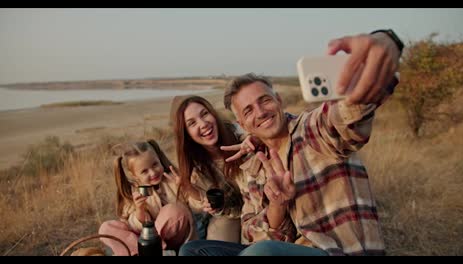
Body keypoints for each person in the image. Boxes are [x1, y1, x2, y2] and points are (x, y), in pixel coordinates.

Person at [179, 30, 403, 256]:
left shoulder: (311, 130)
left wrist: (384, 44)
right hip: (284, 249)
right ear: (243, 124)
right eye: (248, 110)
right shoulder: (255, 165)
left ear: (279, 101)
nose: (261, 112)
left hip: (336, 250)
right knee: (193, 251)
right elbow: (252, 232)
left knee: (260, 254)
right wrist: (277, 205)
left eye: (265, 100)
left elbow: (346, 117)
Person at [98, 139, 197, 256]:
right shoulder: (132, 192)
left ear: (159, 159)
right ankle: (144, 252)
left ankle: (153, 251)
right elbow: (129, 224)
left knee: (173, 210)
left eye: (155, 164)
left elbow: (197, 205)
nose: (153, 172)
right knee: (106, 228)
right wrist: (140, 211)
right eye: (144, 171)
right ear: (133, 175)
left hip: (173, 239)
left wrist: (188, 187)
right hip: (141, 241)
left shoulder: (173, 181)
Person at [169, 95, 246, 243]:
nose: (203, 124)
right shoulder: (197, 168)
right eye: (192, 123)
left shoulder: (239, 134)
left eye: (204, 114)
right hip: (231, 213)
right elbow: (208, 203)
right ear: (187, 134)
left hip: (258, 206)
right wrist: (194, 192)